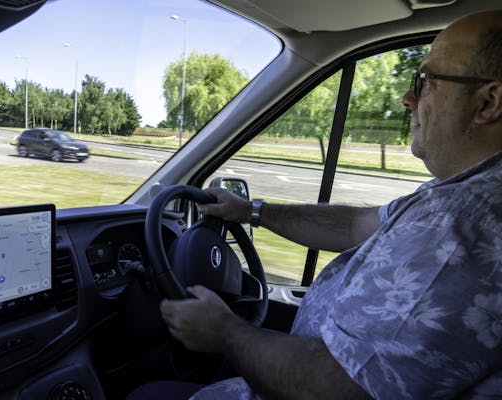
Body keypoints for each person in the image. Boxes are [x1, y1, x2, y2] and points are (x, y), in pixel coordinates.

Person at [128, 10, 502, 400]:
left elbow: (342, 389)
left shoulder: (464, 224)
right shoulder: (456, 194)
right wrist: (253, 211)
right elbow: (357, 224)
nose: (409, 97)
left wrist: (226, 333)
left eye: (425, 81)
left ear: (488, 102)